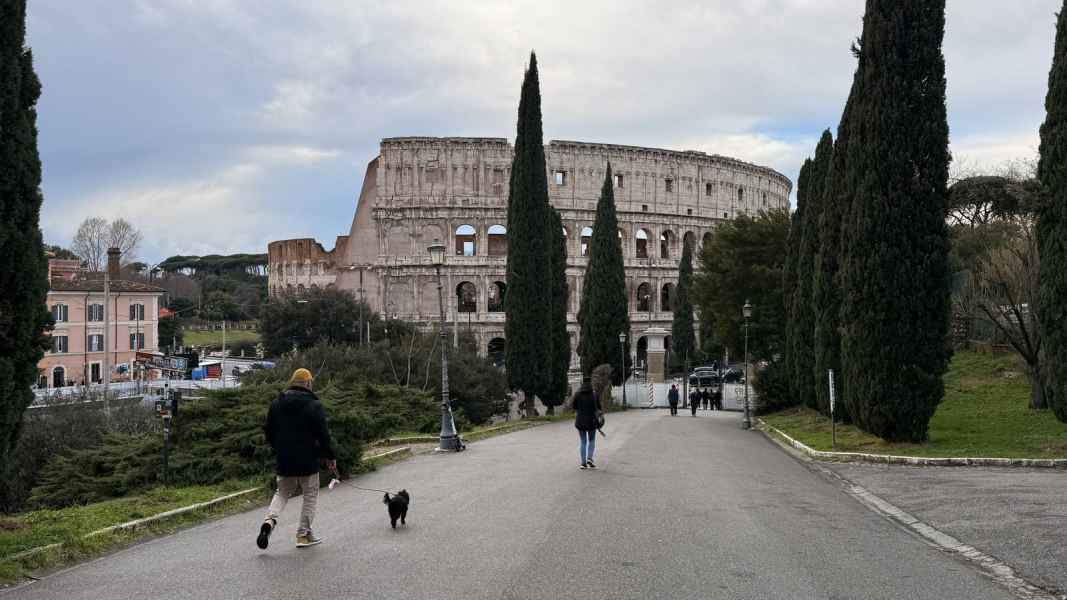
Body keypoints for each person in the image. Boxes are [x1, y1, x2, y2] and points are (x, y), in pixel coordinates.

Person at [257, 368, 336, 550]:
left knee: (282, 492)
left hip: (284, 458)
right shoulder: (314, 405)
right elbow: (323, 435)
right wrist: (330, 456)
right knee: (310, 494)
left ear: (293, 382)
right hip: (308, 459)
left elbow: (268, 431)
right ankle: (303, 535)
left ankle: (269, 521)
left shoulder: (276, 403)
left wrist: (278, 449)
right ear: (308, 383)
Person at [572, 379, 601, 469]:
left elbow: (574, 407)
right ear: (590, 384)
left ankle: (583, 463)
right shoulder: (594, 394)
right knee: (592, 440)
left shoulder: (577, 394)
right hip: (592, 421)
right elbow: (599, 408)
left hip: (580, 421)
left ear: (582, 384)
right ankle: (590, 458)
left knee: (583, 441)